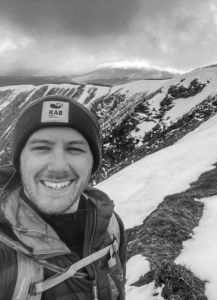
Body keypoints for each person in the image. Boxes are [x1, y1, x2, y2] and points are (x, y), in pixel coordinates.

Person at [0, 95, 127, 300]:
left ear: (92, 162)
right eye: (41, 148)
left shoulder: (111, 226)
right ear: (19, 161)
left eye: (74, 149)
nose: (58, 167)